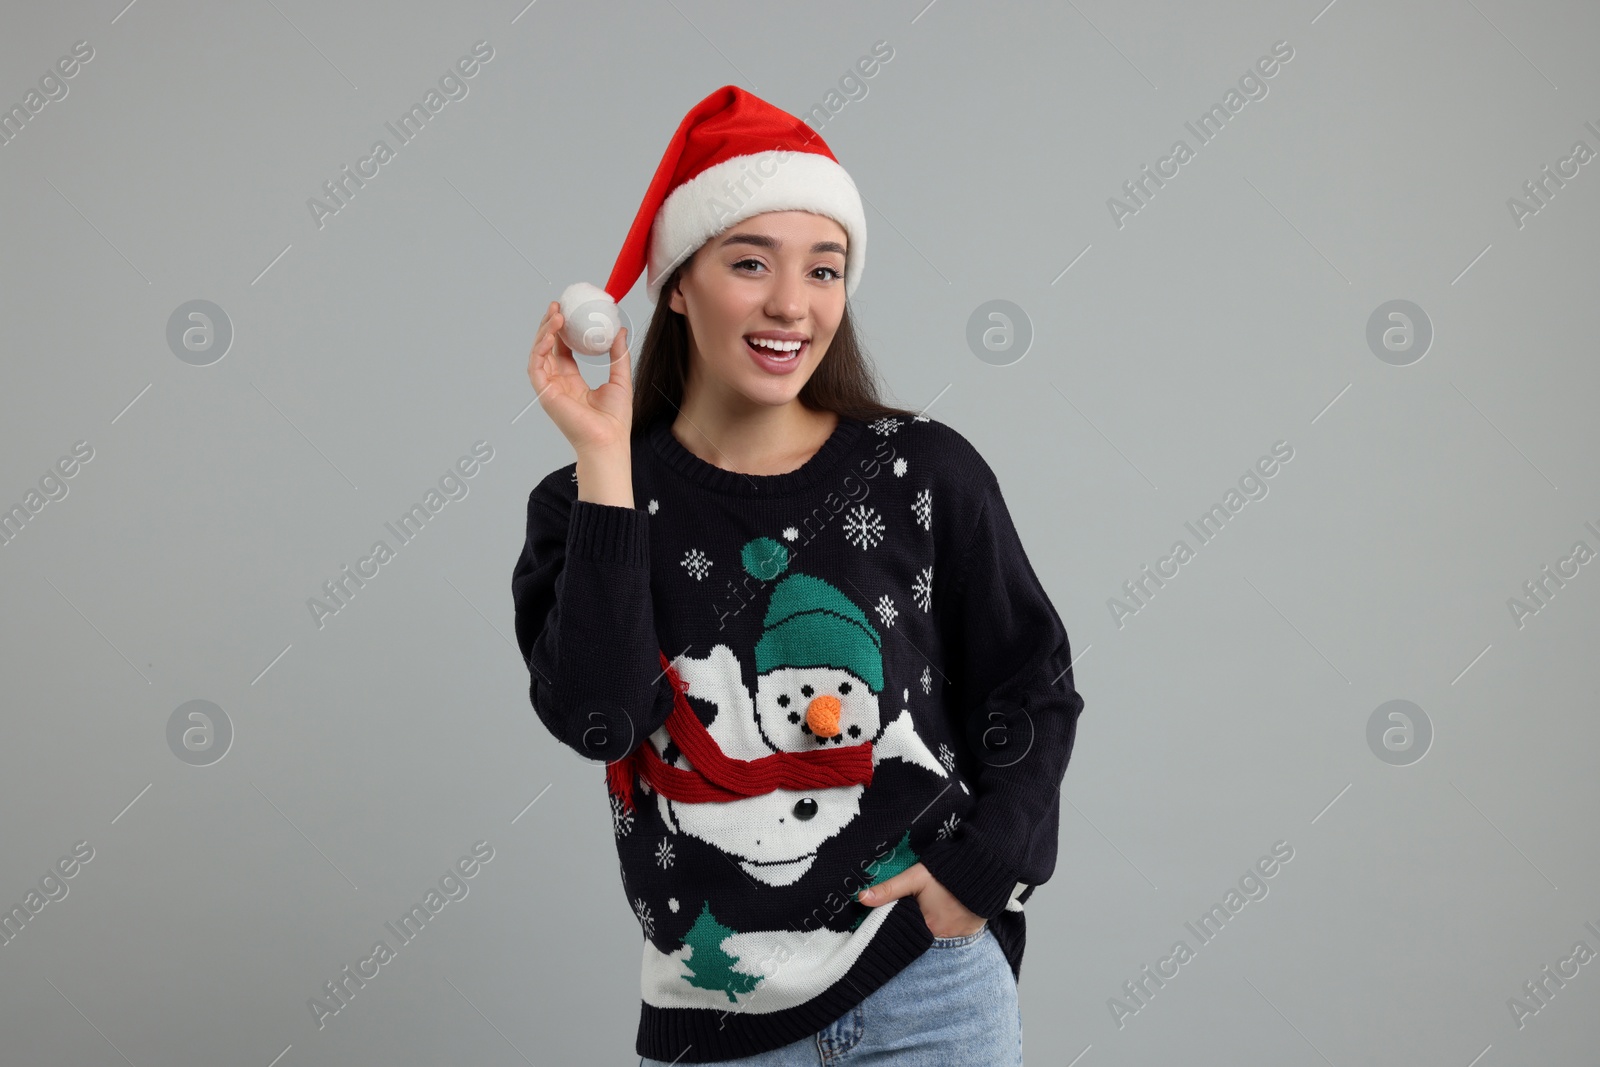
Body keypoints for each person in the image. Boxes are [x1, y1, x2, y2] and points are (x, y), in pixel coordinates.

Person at [511, 85, 1085, 1066]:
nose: (791, 302)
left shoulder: (923, 471)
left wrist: (984, 866)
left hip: (928, 993)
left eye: (824, 268)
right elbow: (599, 716)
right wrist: (604, 460)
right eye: (749, 262)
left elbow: (1030, 683)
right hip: (716, 1020)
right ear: (677, 284)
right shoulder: (585, 507)